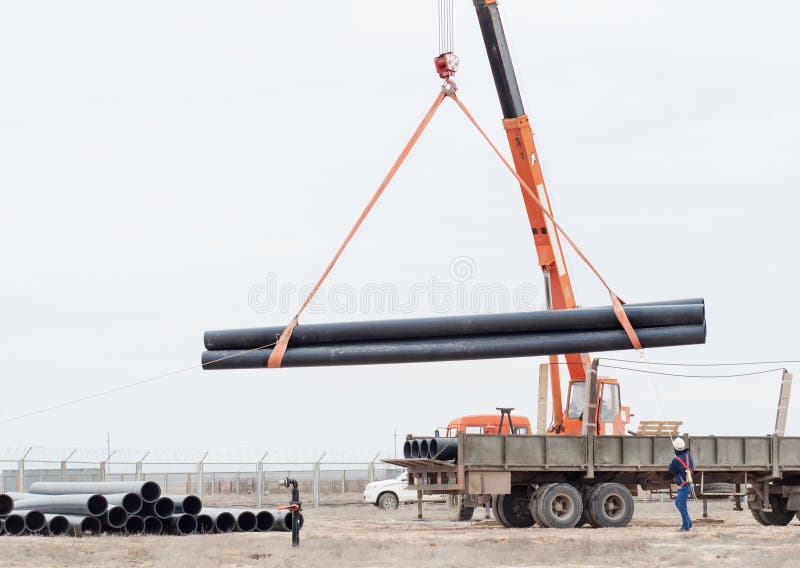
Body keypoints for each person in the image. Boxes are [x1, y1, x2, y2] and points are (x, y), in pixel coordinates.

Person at [668, 437, 694, 531]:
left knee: (681, 505)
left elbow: (671, 471)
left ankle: (685, 527)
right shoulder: (688, 456)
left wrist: (674, 460)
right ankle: (689, 522)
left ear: (675, 449)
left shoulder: (676, 460)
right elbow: (692, 468)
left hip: (683, 486)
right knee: (678, 503)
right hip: (688, 484)